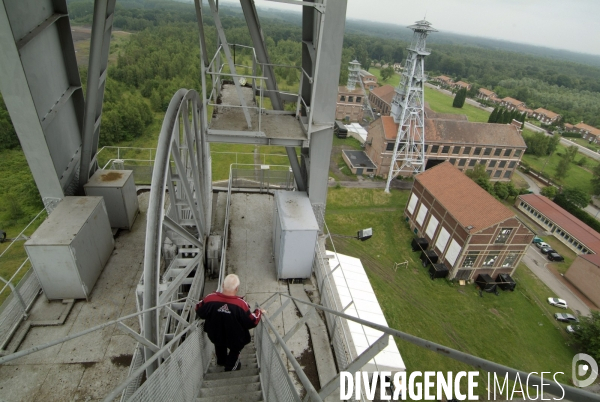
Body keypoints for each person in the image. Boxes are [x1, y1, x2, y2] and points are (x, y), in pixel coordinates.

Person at [195, 274, 265, 371]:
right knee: (235, 349)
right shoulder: (241, 304)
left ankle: (221, 361)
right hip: (235, 337)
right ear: (236, 288)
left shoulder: (210, 299)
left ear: (223, 285)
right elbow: (252, 321)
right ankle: (231, 367)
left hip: (216, 334)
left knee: (219, 345)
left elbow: (199, 309)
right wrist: (258, 311)